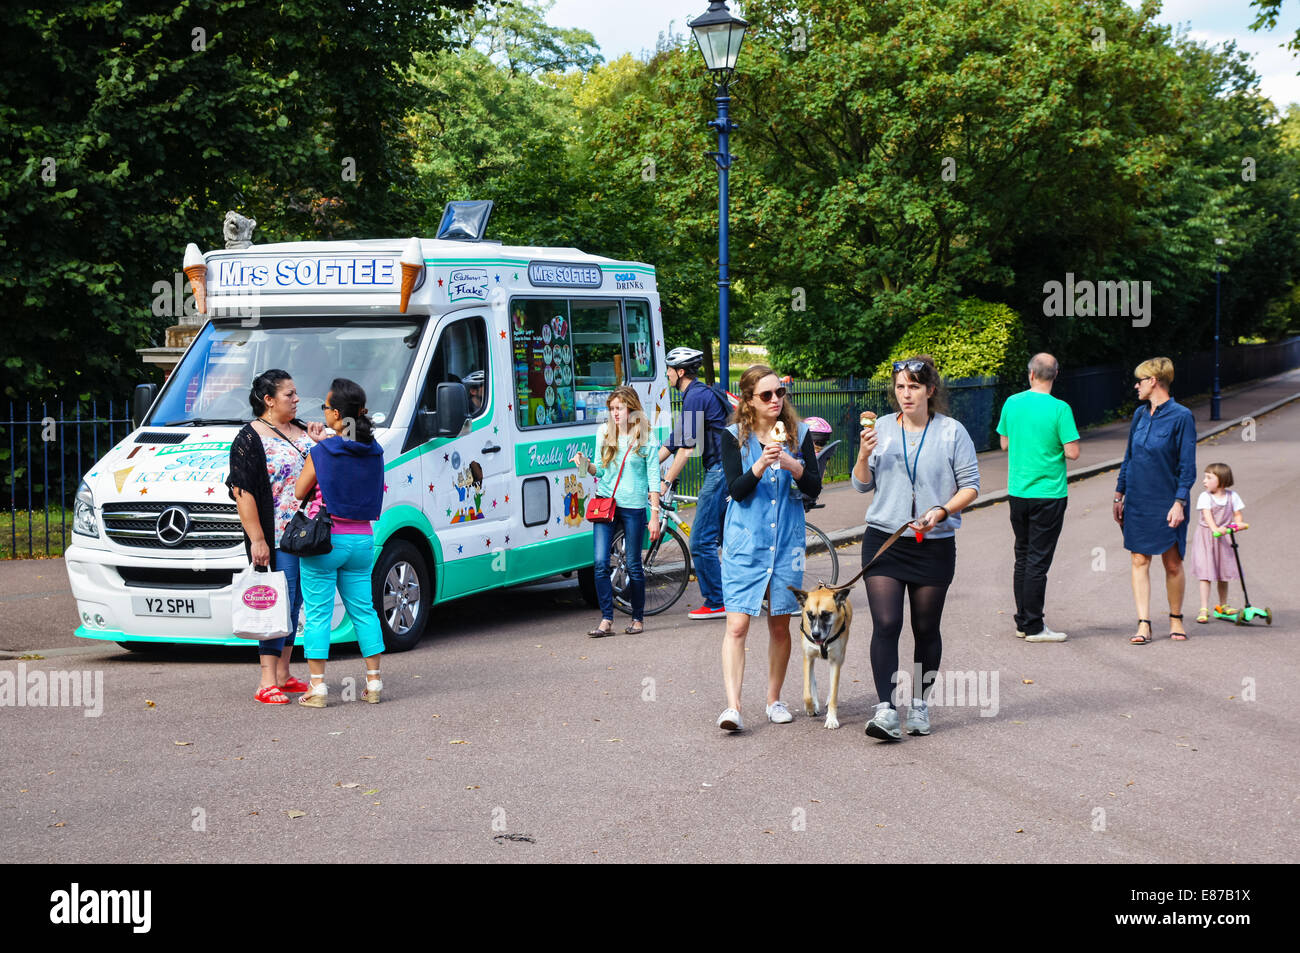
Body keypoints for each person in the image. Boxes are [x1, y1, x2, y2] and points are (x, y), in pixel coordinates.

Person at [853, 356, 979, 740]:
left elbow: (971, 486)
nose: (905, 394)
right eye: (900, 386)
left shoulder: (952, 432)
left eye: (913, 387)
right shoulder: (880, 430)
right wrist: (862, 454)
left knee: (925, 628)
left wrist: (941, 511)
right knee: (886, 623)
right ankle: (886, 709)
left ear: (930, 391)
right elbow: (861, 485)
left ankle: (920, 704)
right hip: (885, 540)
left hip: (933, 544)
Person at [716, 365, 822, 731]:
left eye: (780, 393)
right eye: (766, 395)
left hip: (786, 545)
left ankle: (774, 700)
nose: (776, 400)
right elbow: (736, 490)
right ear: (748, 400)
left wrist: (794, 465)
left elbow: (814, 488)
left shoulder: (799, 433)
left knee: (780, 627)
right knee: (737, 626)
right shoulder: (734, 438)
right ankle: (733, 707)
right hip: (746, 544)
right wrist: (761, 463)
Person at [227, 369, 325, 705]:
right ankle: (266, 680)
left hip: (305, 533)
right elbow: (243, 492)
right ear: (268, 400)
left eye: (296, 394)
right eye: (289, 395)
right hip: (275, 535)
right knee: (275, 602)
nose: (297, 400)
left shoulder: (302, 430)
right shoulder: (249, 438)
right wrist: (257, 539)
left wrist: (319, 441)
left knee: (295, 603)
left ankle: (283, 674)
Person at [292, 378, 387, 707]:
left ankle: (317, 688)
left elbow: (299, 491)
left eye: (325, 407)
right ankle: (373, 683)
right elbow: (349, 451)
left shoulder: (321, 451)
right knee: (364, 611)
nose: (323, 412)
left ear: (335, 414)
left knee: (318, 614)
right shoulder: (374, 450)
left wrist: (316, 448)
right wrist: (326, 442)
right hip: (362, 540)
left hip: (325, 539)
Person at [996, 353, 1080, 642]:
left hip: (1018, 491)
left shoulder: (1012, 403)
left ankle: (1022, 621)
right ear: (1055, 375)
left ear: (1031, 374)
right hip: (1049, 493)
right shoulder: (1060, 408)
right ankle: (1034, 625)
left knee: (1022, 556)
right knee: (1038, 560)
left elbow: (1004, 443)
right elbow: (1072, 452)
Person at [1113, 357, 1197, 644]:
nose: (1136, 385)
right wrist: (1119, 492)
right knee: (1139, 559)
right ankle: (1144, 624)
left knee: (1172, 563)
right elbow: (1129, 457)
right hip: (1137, 498)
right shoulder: (1139, 414)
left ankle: (1176, 619)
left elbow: (1187, 465)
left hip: (1166, 498)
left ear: (1153, 381)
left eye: (1140, 380)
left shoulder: (1182, 416)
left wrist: (1179, 502)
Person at [573, 386, 661, 637]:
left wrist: (654, 515)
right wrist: (584, 465)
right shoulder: (603, 432)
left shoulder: (646, 437)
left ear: (631, 408)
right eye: (611, 409)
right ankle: (606, 620)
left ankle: (637, 618)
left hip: (633, 506)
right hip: (606, 503)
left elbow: (654, 479)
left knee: (633, 564)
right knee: (600, 562)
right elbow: (599, 470)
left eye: (619, 408)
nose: (615, 414)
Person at [658, 346, 731, 620]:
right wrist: (649, 464)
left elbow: (686, 449)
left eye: (669, 370)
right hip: (725, 468)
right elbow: (676, 439)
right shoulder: (700, 393)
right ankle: (741, 592)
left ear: (680, 372)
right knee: (728, 537)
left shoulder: (695, 396)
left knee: (701, 541)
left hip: (720, 471)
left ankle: (716, 601)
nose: (666, 375)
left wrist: (666, 481)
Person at [1185, 462, 1246, 626]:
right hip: (1207, 537)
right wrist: (1214, 529)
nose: (1204, 481)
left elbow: (1237, 514)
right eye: (1205, 477)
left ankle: (1222, 605)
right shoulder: (1205, 496)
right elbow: (1208, 515)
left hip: (1224, 538)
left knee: (1222, 572)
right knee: (1206, 573)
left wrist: (1238, 524)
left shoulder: (1232, 496)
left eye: (1209, 477)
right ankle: (1203, 608)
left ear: (1221, 480)